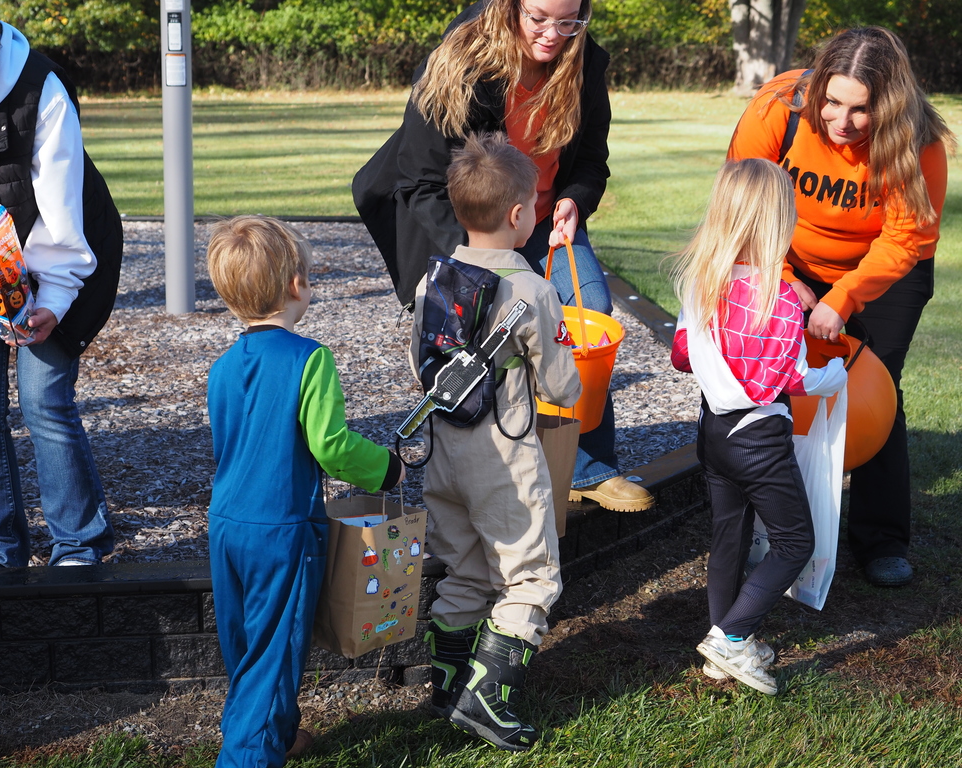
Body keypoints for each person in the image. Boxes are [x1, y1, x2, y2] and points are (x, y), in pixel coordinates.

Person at [354, 0, 654, 513]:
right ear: (511, 6)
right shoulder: (459, 62)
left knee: (590, 314)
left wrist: (573, 201)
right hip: (467, 224)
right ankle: (485, 471)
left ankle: (588, 467)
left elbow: (591, 161)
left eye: (569, 21)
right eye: (539, 18)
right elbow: (422, 179)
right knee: (481, 336)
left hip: (542, 219)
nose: (553, 34)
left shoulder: (584, 63)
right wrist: (479, 255)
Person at [727, 27, 956, 587]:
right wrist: (782, 277)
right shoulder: (777, 109)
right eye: (832, 102)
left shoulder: (918, 140)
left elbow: (907, 239)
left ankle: (882, 539)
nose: (842, 121)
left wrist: (842, 298)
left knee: (875, 385)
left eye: (861, 110)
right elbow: (742, 205)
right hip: (783, 256)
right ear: (817, 86)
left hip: (885, 269)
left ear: (890, 105)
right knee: (769, 379)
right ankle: (768, 526)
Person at [206, 216, 406, 768]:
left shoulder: (221, 368)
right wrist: (386, 470)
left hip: (226, 524)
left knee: (247, 646)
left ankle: (278, 733)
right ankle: (247, 756)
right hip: (282, 528)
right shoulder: (309, 358)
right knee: (274, 653)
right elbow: (332, 446)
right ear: (297, 284)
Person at [411, 133, 581, 751]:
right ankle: (487, 700)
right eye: (534, 204)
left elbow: (423, 366)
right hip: (503, 460)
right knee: (531, 577)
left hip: (442, 455)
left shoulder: (431, 281)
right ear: (517, 215)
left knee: (466, 570)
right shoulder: (533, 291)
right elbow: (562, 385)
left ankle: (448, 684)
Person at [0, 0, 122, 568]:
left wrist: (55, 299)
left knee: (44, 399)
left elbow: (62, 212)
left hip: (55, 257)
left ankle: (79, 545)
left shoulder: (41, 92)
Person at [670, 159, 848, 695]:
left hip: (714, 434)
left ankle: (719, 647)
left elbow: (682, 356)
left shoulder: (701, 284)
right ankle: (731, 637)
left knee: (729, 537)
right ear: (778, 223)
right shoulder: (781, 299)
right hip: (760, 441)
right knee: (795, 542)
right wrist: (835, 375)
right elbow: (791, 378)